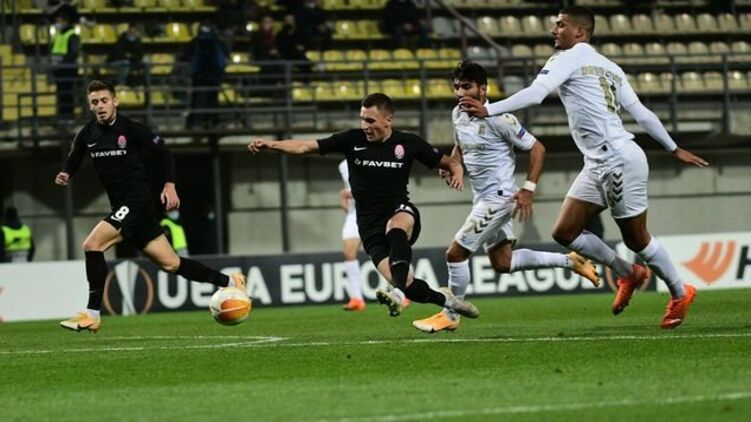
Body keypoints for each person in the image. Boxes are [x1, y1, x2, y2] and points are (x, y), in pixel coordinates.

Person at [458, 6, 709, 329]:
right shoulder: (610, 67)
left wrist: (488, 110)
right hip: (597, 162)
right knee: (565, 232)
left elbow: (536, 94)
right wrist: (672, 147)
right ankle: (628, 273)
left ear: (580, 31)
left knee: (637, 240)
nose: (554, 30)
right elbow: (642, 113)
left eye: (560, 24)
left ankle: (680, 292)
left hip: (617, 159)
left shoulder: (568, 57)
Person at [248, 93, 478, 319]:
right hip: (368, 226)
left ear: (388, 120)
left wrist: (456, 171)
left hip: (400, 211)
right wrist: (272, 144)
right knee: (407, 282)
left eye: (370, 120)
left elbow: (449, 162)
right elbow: (305, 147)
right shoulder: (352, 140)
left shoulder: (409, 143)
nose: (365, 126)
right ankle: (448, 301)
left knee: (396, 228)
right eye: (362, 119)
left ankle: (397, 293)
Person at [412, 61, 599, 333]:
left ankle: (450, 314)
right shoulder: (458, 114)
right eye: (457, 87)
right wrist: (453, 164)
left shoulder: (502, 118)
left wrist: (528, 189)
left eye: (467, 87)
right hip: (481, 199)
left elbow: (538, 148)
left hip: (499, 199)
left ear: (483, 89)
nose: (460, 93)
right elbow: (460, 144)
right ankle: (571, 261)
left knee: (455, 253)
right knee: (503, 262)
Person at [55, 80, 245, 333]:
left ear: (115, 101)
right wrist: (66, 173)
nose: (100, 106)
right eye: (94, 102)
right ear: (90, 106)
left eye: (104, 100)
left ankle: (92, 314)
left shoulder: (131, 129)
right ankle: (230, 280)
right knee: (172, 264)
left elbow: (165, 152)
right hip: (127, 208)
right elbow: (75, 156)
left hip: (136, 202)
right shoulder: (87, 134)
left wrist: (170, 185)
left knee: (92, 245)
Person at [181, 22, 229, 129]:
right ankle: (213, 122)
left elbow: (185, 56)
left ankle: (193, 123)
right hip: (213, 76)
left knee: (196, 101)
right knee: (212, 100)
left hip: (199, 76)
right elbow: (225, 56)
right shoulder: (217, 42)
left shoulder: (194, 42)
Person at [50, 10, 79, 121]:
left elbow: (73, 53)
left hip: (67, 70)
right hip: (59, 70)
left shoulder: (71, 35)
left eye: (59, 21)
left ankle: (69, 118)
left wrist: (61, 62)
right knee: (61, 95)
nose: (57, 24)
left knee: (67, 95)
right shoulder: (59, 35)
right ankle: (63, 117)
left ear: (66, 22)